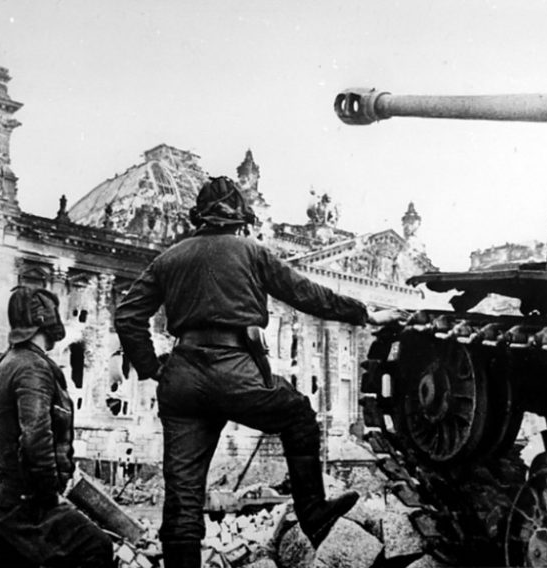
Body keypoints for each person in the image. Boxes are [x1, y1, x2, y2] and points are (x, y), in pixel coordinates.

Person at [115, 176, 406, 567]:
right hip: (235, 368)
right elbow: (306, 294)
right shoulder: (252, 252)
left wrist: (153, 367)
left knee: (182, 498)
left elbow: (127, 316)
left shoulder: (169, 258)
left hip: (182, 378)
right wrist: (365, 313)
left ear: (200, 217)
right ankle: (313, 512)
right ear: (240, 218)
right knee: (298, 414)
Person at [0, 286, 114, 568]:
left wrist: (5, 472)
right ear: (45, 320)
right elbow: (36, 437)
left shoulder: (8, 363)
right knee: (96, 546)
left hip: (6, 499)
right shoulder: (33, 367)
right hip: (26, 502)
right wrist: (46, 494)